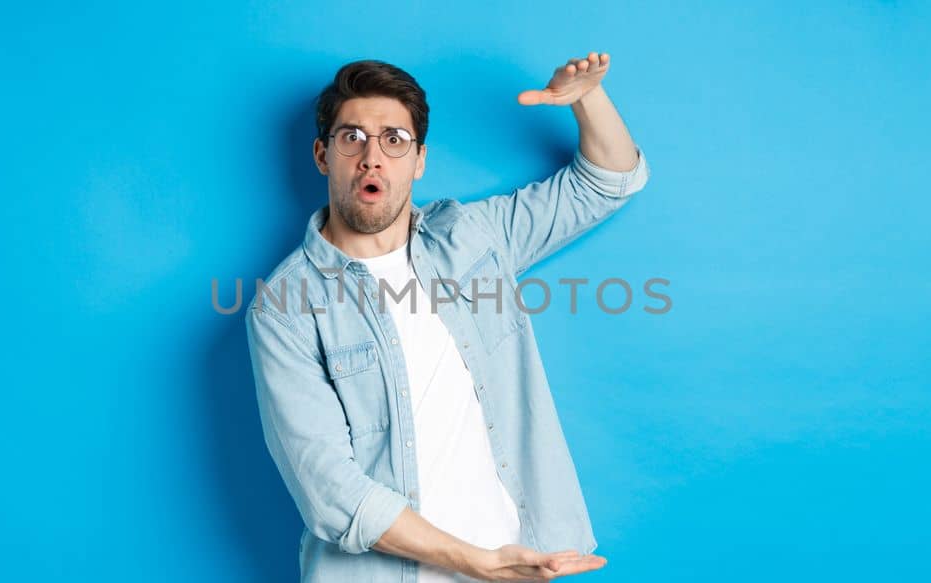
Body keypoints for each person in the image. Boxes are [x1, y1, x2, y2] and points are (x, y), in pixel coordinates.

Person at [245, 52, 650, 582]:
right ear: (324, 155)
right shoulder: (283, 307)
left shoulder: (474, 238)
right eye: (353, 138)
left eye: (394, 140)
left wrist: (588, 99)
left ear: (419, 161)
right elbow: (329, 492)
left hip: (524, 563)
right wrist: (478, 563)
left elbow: (608, 182)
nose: (372, 157)